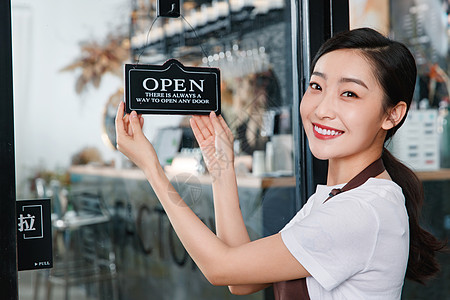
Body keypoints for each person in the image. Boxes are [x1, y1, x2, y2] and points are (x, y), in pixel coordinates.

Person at [115, 28, 445, 299]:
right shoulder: (334, 198)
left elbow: (220, 268)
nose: (322, 109)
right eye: (317, 86)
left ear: (392, 114)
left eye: (349, 94)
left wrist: (152, 169)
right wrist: (220, 165)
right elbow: (240, 279)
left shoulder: (361, 211)